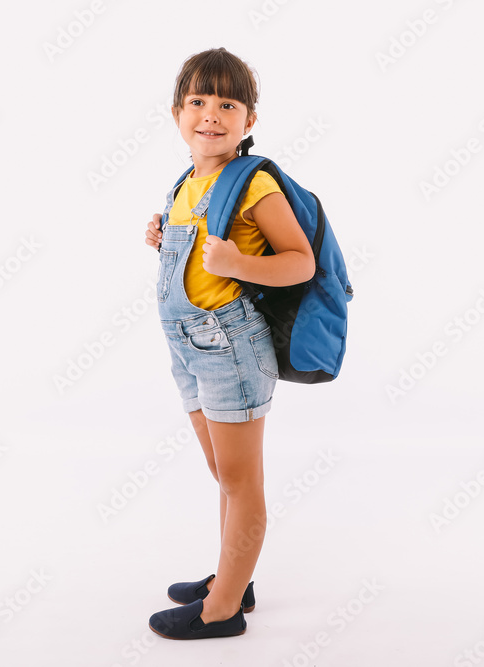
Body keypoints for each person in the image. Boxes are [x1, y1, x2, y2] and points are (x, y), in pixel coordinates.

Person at [143, 47, 315, 640]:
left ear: (249, 120)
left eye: (227, 104)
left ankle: (222, 611)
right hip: (187, 346)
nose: (210, 114)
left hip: (229, 345)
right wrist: (163, 237)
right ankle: (232, 580)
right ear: (176, 113)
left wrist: (239, 262)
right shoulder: (188, 181)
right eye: (197, 101)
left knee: (242, 483)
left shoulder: (253, 182)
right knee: (224, 472)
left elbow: (299, 262)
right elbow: (194, 258)